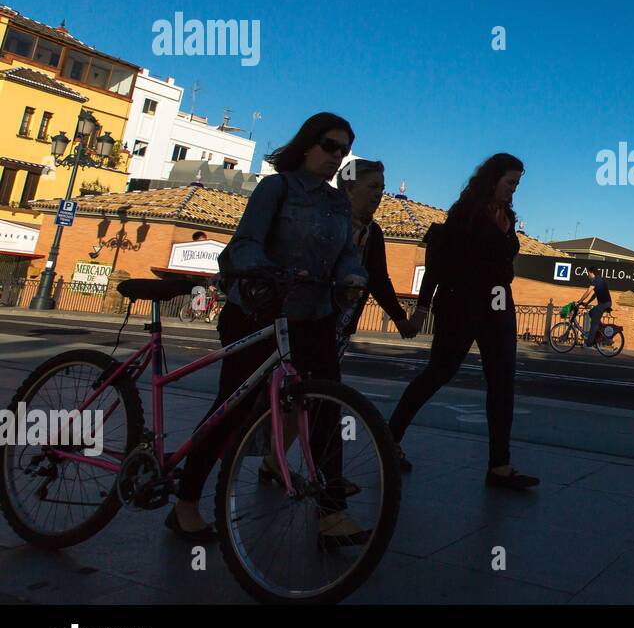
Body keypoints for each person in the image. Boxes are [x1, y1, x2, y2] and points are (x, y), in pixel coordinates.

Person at [166, 112, 369, 544]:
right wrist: (267, 271)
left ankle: (332, 513)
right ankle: (186, 502)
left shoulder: (337, 204)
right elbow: (246, 242)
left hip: (314, 315)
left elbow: (347, 254)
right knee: (233, 406)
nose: (337, 157)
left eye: (344, 151)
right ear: (307, 144)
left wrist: (353, 277)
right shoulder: (275, 188)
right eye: (330, 146)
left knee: (326, 408)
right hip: (259, 313)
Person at [388, 153, 538, 490]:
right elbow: (437, 262)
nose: (513, 190)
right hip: (461, 303)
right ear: (492, 179)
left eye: (517, 184)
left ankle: (500, 467)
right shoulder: (464, 215)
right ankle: (389, 438)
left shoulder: (507, 216)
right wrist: (423, 308)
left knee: (502, 382)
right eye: (510, 183)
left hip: (498, 304)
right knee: (440, 372)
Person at [335, 158, 421, 360]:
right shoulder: (325, 221)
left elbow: (378, 279)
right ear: (349, 188)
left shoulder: (372, 233)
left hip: (342, 323)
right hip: (309, 316)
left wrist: (400, 319)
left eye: (381, 188)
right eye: (373, 186)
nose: (379, 194)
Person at [579, 267, 612, 347]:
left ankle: (589, 343)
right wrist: (587, 302)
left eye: (588, 273)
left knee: (594, 322)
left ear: (591, 273)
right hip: (604, 304)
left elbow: (588, 291)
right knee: (591, 313)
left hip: (605, 304)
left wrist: (580, 301)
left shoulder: (596, 280)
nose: (587, 275)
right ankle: (600, 331)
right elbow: (595, 294)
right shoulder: (599, 280)